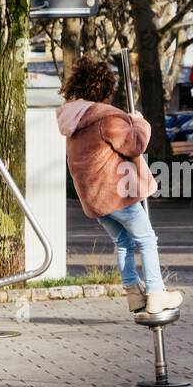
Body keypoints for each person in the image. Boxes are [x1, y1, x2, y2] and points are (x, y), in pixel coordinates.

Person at [56, 55, 182, 316]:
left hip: (95, 198)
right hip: (118, 194)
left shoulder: (74, 121)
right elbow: (135, 145)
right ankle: (156, 294)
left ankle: (133, 294)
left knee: (124, 242)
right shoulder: (107, 119)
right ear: (104, 88)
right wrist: (139, 122)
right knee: (146, 239)